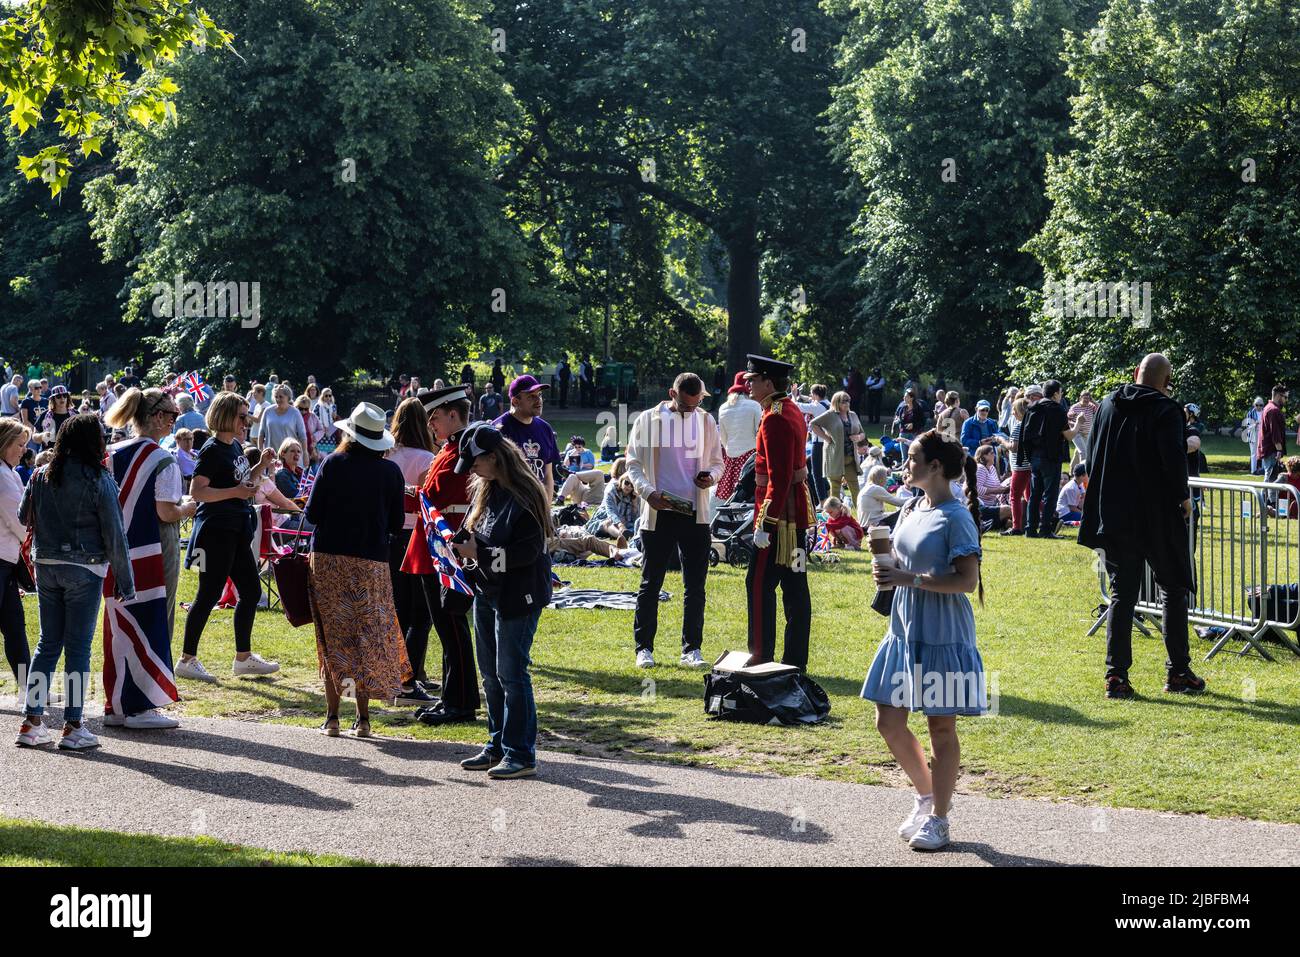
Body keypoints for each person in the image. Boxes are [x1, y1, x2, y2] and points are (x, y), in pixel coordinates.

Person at [862, 430, 987, 851]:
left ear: (935, 466)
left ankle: (940, 819)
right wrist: (884, 559)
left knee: (941, 727)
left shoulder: (957, 516)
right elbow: (907, 558)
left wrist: (906, 578)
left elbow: (967, 582)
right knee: (889, 720)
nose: (906, 462)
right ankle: (927, 795)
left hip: (943, 633)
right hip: (904, 627)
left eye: (913, 456)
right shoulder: (914, 505)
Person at [1080, 352, 1205, 699]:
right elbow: (1173, 459)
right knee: (1174, 588)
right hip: (1156, 516)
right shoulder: (1167, 411)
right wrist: (1183, 498)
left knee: (1123, 593)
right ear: (1166, 383)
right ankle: (1178, 672)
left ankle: (1116, 676)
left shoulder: (1107, 404)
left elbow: (1093, 454)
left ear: (1136, 373)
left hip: (1117, 514)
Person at [16, 415, 135, 750]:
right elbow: (115, 534)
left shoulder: (40, 473)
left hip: (47, 565)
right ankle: (73, 725)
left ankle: (31, 721)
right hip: (85, 567)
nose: (105, 440)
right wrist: (126, 582)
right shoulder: (99, 478)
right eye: (101, 435)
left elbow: (24, 516)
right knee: (78, 648)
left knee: (47, 643)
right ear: (90, 441)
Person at [451, 423, 554, 779]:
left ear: (494, 458)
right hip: (488, 590)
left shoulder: (526, 495)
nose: (473, 469)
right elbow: (479, 535)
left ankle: (521, 753)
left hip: (519, 593)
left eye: (476, 462)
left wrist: (479, 555)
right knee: (491, 675)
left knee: (512, 673)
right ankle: (496, 744)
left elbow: (525, 553)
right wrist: (459, 543)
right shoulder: (488, 488)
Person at [305, 403, 410, 738]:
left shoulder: (333, 464)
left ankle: (332, 717)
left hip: (330, 559)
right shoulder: (391, 472)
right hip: (372, 562)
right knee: (366, 636)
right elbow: (396, 523)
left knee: (333, 638)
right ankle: (363, 719)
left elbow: (313, 513)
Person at [101, 388, 195, 729]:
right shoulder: (163, 459)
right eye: (171, 415)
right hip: (154, 546)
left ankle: (118, 704)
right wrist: (189, 506)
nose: (174, 421)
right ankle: (144, 705)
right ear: (156, 417)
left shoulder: (112, 453)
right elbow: (166, 512)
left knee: (117, 623)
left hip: (117, 548)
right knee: (156, 616)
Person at [179, 392, 280, 682]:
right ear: (225, 417)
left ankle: (243, 658)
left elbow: (242, 480)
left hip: (236, 529)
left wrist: (260, 466)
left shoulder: (234, 445)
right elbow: (197, 492)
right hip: (215, 532)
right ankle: (187, 659)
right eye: (241, 416)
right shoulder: (211, 449)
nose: (246, 421)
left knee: (251, 592)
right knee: (208, 594)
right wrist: (235, 493)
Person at [625, 372, 723, 668]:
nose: (690, 411)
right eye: (685, 405)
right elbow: (633, 463)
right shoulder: (648, 420)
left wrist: (710, 478)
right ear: (672, 394)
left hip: (696, 513)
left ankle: (691, 649)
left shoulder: (706, 421)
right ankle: (644, 648)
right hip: (659, 512)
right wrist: (647, 492)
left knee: (696, 586)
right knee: (650, 582)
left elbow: (718, 462)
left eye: (695, 405)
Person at [402, 385, 482, 725]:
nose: (430, 424)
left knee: (452, 627)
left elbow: (443, 500)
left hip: (445, 549)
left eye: (434, 417)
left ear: (453, 414)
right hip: (432, 545)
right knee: (447, 628)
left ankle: (461, 702)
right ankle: (453, 697)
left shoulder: (464, 450)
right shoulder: (450, 449)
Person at [743, 355, 814, 670]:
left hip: (778, 516)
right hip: (793, 512)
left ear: (768, 383)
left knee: (758, 583)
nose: (748, 384)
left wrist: (765, 523)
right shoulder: (791, 409)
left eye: (753, 379)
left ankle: (760, 654)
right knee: (795, 585)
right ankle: (795, 658)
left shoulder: (774, 417)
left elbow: (779, 476)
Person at [382, 398, 438, 707]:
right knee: (422, 614)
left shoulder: (387, 455)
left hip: (390, 534)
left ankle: (399, 672)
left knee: (400, 610)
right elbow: (426, 500)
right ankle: (410, 677)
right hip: (415, 534)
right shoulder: (426, 458)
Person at [1021, 380, 1078, 538]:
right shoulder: (1057, 409)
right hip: (1051, 458)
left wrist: (1029, 456)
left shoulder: (1032, 407)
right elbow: (1069, 435)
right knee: (1050, 495)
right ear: (1055, 394)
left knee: (1035, 495)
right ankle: (1046, 529)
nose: (1061, 396)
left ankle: (1030, 529)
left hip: (1035, 456)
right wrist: (1078, 424)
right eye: (1060, 393)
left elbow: (1025, 434)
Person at [493, 375, 560, 505]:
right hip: (507, 510)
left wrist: (545, 509)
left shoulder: (545, 429)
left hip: (536, 508)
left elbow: (547, 475)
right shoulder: (498, 430)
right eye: (531, 397)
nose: (538, 400)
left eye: (539, 395)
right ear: (515, 401)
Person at [0, 419, 31, 689]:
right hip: (2, 560)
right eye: (19, 444)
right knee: (13, 627)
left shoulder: (9, 472)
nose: (23, 450)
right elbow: (20, 522)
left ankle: (29, 689)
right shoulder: (2, 475)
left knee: (15, 627)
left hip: (6, 562)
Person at [811, 391, 866, 511]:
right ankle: (836, 519)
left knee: (855, 487)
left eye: (848, 400)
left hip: (851, 458)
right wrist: (826, 438)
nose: (847, 403)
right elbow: (813, 424)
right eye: (844, 401)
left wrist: (858, 437)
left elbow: (862, 433)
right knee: (835, 489)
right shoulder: (830, 415)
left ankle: (861, 517)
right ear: (837, 402)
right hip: (835, 457)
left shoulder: (853, 415)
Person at [716, 372, 763, 501]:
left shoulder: (723, 408)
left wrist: (731, 450)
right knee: (750, 497)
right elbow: (759, 433)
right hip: (751, 458)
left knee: (732, 499)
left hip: (731, 458)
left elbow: (723, 438)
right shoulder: (754, 406)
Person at [259, 384, 307, 456]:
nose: (278, 399)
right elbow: (261, 433)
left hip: (290, 455)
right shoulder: (268, 411)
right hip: (271, 455)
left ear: (288, 397)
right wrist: (260, 450)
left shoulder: (295, 413)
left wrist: (305, 453)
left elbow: (302, 435)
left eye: (281, 397)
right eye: (276, 397)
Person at [1259, 384, 1288, 481]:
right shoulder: (1273, 410)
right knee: (1271, 478)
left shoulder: (1268, 407)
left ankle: (1264, 496)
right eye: (1285, 397)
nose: (1286, 400)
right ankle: (1265, 497)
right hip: (1272, 450)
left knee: (1270, 477)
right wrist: (1279, 450)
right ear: (1279, 396)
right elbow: (1275, 433)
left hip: (1269, 449)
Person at [1068, 390, 1098, 468]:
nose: (1086, 400)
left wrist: (1093, 401)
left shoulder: (1091, 406)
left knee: (1078, 453)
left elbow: (1101, 408)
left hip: (1087, 433)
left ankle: (1072, 470)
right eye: (1084, 398)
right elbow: (1067, 421)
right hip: (1077, 433)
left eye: (1088, 399)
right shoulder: (1075, 407)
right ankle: (1083, 472)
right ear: (1080, 398)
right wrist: (1077, 425)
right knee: (1084, 452)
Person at [1242, 397, 1265, 475]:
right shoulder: (1251, 413)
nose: (1259, 406)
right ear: (1254, 405)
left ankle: (1263, 470)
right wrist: (1255, 424)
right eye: (1257, 405)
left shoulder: (1265, 412)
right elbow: (1247, 425)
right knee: (1254, 453)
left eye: (1260, 405)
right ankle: (1253, 470)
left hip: (1263, 434)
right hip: (1253, 434)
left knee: (1263, 452)